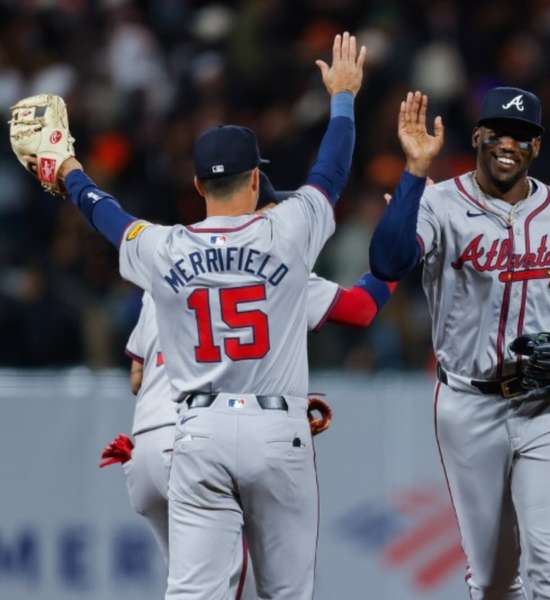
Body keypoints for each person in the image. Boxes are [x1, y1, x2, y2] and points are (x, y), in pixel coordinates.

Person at [25, 30, 365, 600]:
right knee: (287, 594)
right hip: (277, 427)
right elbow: (329, 175)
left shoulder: (164, 248)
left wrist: (70, 173)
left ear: (197, 185)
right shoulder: (288, 231)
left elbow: (109, 216)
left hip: (198, 430)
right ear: (256, 179)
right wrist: (344, 98)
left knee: (194, 594)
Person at [102, 170, 396, 599]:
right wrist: (398, 258)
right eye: (279, 208)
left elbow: (137, 374)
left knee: (193, 588)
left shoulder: (168, 260)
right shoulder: (281, 267)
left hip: (151, 445)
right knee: (254, 586)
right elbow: (362, 308)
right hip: (210, 439)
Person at [369, 87, 550, 599]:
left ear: (537, 148)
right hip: (469, 404)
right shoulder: (438, 203)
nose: (509, 144)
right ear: (478, 135)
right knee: (492, 577)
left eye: (522, 136)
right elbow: (388, 262)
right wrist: (414, 172)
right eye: (499, 132)